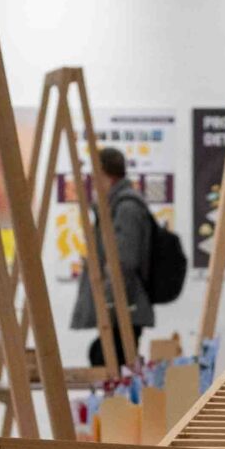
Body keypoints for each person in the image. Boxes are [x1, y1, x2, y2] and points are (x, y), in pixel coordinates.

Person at [70, 146, 156, 367]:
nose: (92, 180)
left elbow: (123, 262)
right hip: (120, 307)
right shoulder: (115, 207)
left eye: (94, 173)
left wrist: (107, 302)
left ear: (106, 174)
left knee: (109, 362)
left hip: (124, 307)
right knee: (103, 358)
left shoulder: (126, 208)